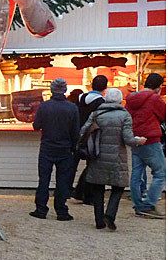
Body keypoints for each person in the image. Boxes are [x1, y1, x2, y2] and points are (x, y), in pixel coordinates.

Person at [80, 88, 146, 230]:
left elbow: (83, 131)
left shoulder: (96, 113)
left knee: (98, 187)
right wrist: (138, 141)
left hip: (97, 156)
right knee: (118, 187)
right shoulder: (124, 115)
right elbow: (128, 139)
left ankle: (99, 220)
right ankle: (109, 215)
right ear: (120, 100)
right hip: (117, 157)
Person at [30, 78, 79, 221]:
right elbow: (76, 132)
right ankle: (61, 211)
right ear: (65, 90)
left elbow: (36, 125)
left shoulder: (44, 107)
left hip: (47, 147)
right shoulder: (72, 108)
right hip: (65, 149)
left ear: (51, 89)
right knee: (62, 181)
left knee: (44, 179)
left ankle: (41, 209)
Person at [126, 73, 166, 218]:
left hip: (135, 139)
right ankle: (149, 204)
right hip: (150, 139)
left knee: (137, 173)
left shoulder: (131, 99)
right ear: (159, 86)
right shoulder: (155, 98)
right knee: (161, 173)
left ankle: (138, 205)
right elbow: (164, 115)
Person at [71, 75, 108, 203]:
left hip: (77, 135)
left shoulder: (80, 98)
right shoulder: (102, 103)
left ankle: (66, 192)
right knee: (92, 166)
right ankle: (86, 194)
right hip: (92, 136)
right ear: (105, 88)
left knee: (72, 165)